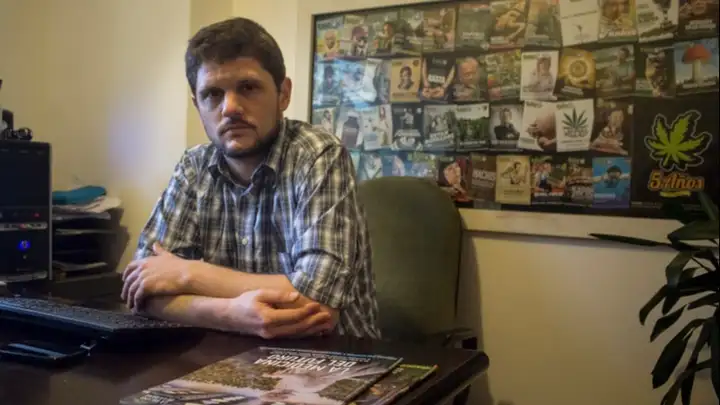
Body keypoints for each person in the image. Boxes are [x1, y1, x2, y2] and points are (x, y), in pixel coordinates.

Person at [120, 17, 380, 340]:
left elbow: (317, 300)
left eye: (248, 87)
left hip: (335, 357)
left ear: (283, 94)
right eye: (213, 94)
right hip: (231, 357)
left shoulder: (318, 156)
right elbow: (141, 286)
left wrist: (189, 273)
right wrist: (230, 315)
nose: (230, 108)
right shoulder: (193, 167)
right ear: (197, 106)